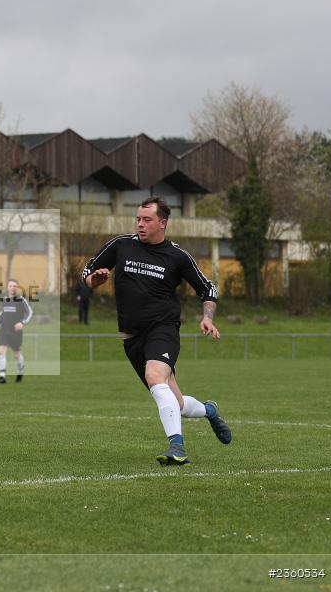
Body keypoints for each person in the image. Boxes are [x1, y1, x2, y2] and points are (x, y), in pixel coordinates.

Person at [80, 196, 232, 466]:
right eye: (138, 218)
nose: (140, 224)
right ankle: (209, 410)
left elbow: (208, 289)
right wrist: (96, 279)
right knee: (177, 403)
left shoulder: (177, 256)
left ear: (162, 223)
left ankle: (177, 447)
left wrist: (207, 317)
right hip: (131, 338)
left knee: (154, 375)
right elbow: (87, 273)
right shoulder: (121, 245)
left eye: (147, 219)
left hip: (163, 329)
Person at [0, 278, 33, 384]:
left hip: (15, 332)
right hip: (4, 330)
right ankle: (2, 376)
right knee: (1, 351)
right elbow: (3, 314)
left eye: (14, 286)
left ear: (17, 288)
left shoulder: (21, 300)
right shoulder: (5, 300)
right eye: (10, 286)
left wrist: (22, 323)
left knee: (16, 354)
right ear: (7, 287)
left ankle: (20, 371)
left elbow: (29, 312)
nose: (12, 288)